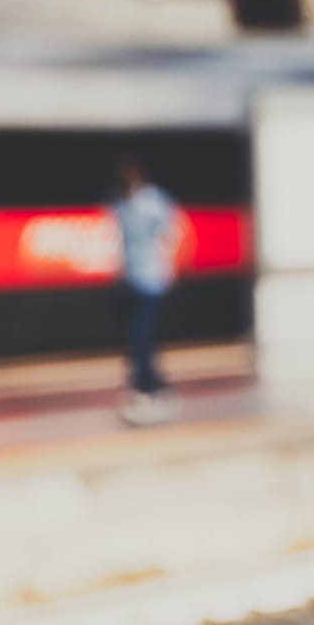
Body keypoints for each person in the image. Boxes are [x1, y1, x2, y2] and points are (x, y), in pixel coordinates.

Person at [109, 154, 181, 424]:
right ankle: (149, 385)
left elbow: (170, 232)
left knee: (141, 334)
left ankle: (149, 388)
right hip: (129, 279)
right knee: (136, 338)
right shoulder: (118, 202)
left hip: (151, 278)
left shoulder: (153, 201)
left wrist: (170, 266)